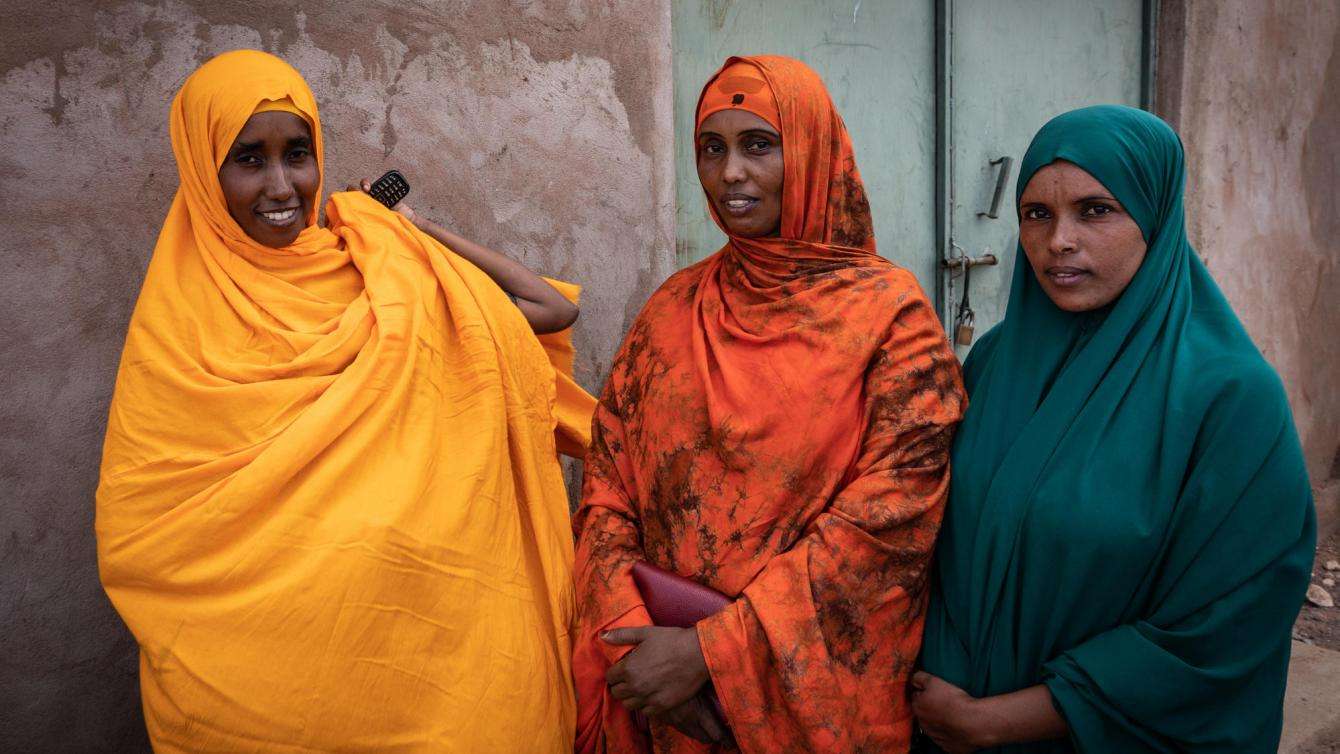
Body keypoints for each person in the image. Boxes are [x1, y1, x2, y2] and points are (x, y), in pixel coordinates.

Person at [96, 49, 594, 752]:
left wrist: (414, 232)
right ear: (205, 170)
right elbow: (143, 537)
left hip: (437, 667)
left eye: (296, 154)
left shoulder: (372, 268)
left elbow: (545, 309)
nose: (281, 185)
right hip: (258, 694)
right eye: (249, 159)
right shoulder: (177, 322)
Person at [571, 55, 966, 753]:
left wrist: (710, 655)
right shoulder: (672, 308)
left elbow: (888, 524)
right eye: (711, 148)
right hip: (656, 689)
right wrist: (631, 637)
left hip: (806, 708)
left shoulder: (891, 319)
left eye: (758, 144)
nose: (730, 175)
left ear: (812, 149)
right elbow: (607, 488)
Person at [913, 105, 1316, 753]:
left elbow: (1227, 620)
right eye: (1037, 213)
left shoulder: (1229, 397)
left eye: (1095, 210)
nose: (1058, 240)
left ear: (1154, 216)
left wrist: (998, 721)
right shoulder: (994, 363)